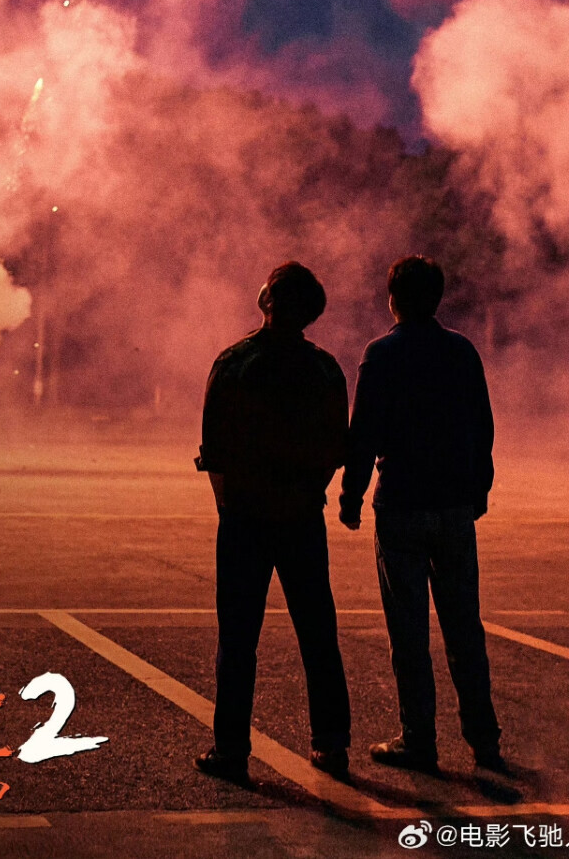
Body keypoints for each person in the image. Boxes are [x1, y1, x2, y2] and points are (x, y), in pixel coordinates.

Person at [339, 255, 503, 775]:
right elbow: (483, 427)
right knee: (464, 628)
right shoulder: (461, 352)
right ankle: (484, 739)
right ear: (437, 298)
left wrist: (351, 495)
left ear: (392, 298)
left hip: (403, 504)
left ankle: (419, 739)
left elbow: (363, 435)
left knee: (408, 631)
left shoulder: (381, 354)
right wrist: (477, 490)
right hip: (455, 506)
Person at [194, 262, 352, 786]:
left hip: (243, 518)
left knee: (238, 637)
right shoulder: (326, 369)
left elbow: (213, 452)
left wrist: (230, 507)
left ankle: (231, 748)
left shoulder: (235, 362)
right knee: (318, 632)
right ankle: (331, 744)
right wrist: (309, 492)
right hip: (303, 516)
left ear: (266, 299)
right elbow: (336, 447)